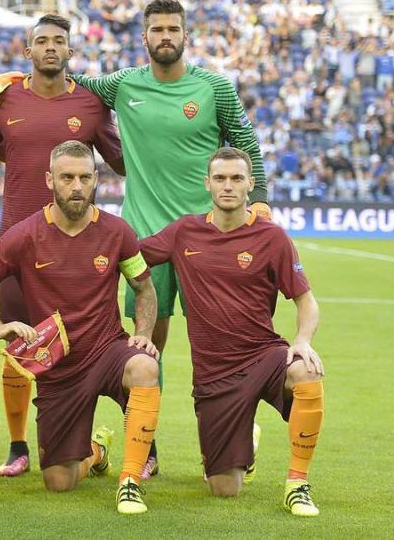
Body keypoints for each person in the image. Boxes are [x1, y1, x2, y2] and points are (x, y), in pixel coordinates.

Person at [0, 0, 270, 479]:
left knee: (224, 342)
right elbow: (62, 81)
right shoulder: (123, 84)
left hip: (209, 236)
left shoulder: (215, 87)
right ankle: (145, 445)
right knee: (143, 343)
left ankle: (239, 435)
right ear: (144, 37)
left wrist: (258, 198)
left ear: (185, 34)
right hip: (146, 238)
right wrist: (10, 81)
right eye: (156, 29)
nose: (164, 36)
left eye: (172, 28)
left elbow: (246, 142)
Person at [0, 13, 125, 477]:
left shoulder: (91, 103)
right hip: (19, 243)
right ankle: (17, 446)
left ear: (71, 51)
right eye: (41, 41)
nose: (50, 47)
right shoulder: (7, 96)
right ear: (27, 51)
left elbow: (121, 161)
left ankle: (88, 441)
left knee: (80, 349)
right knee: (18, 343)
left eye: (59, 41)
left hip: (79, 248)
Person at [0, 141, 160, 514]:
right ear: (50, 179)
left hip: (107, 351)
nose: (76, 186)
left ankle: (130, 481)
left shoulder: (117, 232)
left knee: (146, 366)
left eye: (85, 177)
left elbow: (144, 287)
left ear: (96, 181)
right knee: (59, 481)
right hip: (58, 368)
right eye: (67, 177)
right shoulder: (23, 236)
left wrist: (144, 334)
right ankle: (98, 451)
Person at [138, 147, 324, 517]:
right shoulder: (184, 231)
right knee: (223, 489)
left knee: (306, 372)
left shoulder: (273, 238)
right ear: (207, 183)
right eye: (220, 178)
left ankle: (298, 484)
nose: (228, 186)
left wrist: (302, 341)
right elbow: (128, 256)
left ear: (250, 185)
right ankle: (244, 441)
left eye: (237, 178)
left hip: (263, 356)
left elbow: (306, 301)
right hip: (214, 375)